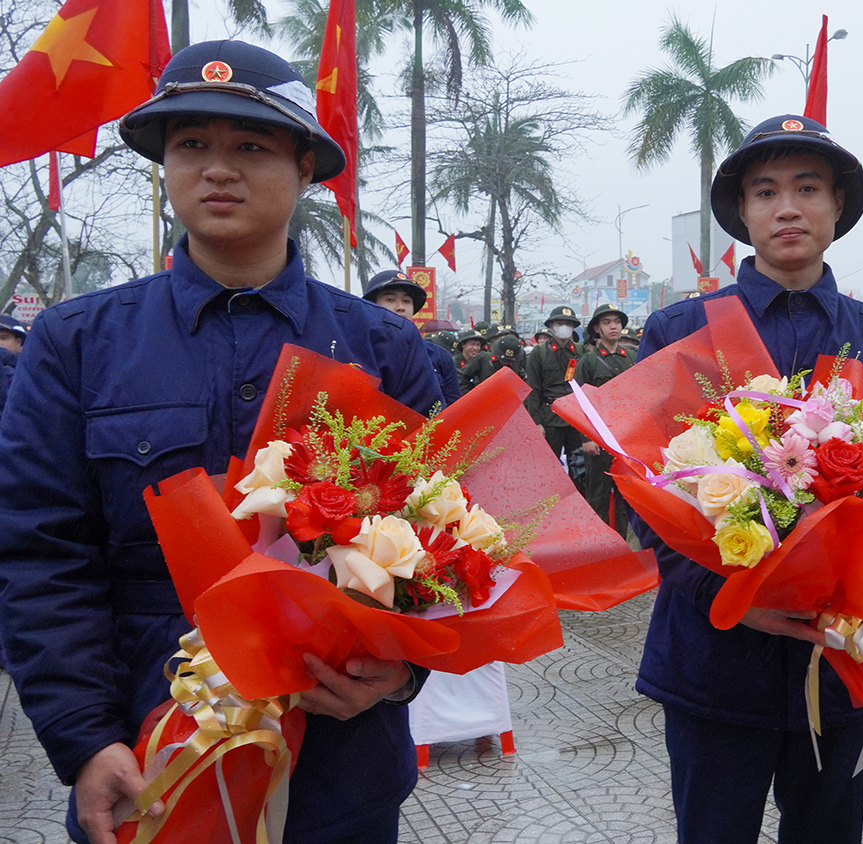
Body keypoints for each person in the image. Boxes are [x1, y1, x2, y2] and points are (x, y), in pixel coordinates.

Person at [0, 40, 443, 844]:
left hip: (339, 757)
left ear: (308, 168)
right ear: (164, 167)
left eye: (251, 146)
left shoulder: (384, 349)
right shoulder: (76, 342)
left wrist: (400, 671)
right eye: (190, 145)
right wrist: (84, 737)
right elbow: (40, 554)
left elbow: (436, 550)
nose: (217, 169)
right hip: (150, 749)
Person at [632, 113, 863, 844]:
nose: (787, 207)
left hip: (839, 663)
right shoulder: (679, 332)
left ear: (838, 208)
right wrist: (735, 597)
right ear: (742, 211)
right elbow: (645, 492)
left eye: (807, 188)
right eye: (765, 191)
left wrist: (862, 604)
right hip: (713, 655)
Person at [574, 302, 636, 537]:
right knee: (598, 495)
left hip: (625, 435)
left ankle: (623, 542)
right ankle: (598, 543)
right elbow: (579, 402)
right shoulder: (587, 361)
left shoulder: (630, 357)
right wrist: (586, 438)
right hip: (598, 437)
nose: (613, 327)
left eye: (617, 322)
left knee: (626, 495)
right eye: (607, 322)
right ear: (597, 329)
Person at [363, 269, 460, 406]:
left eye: (407, 301)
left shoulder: (439, 357)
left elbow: (454, 410)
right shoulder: (356, 350)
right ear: (371, 304)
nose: (401, 307)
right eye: (390, 299)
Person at [525, 306, 583, 487]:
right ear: (551, 326)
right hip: (550, 417)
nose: (564, 327)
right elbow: (532, 389)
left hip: (577, 418)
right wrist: (536, 422)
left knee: (580, 467)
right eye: (560, 323)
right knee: (548, 468)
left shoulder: (582, 352)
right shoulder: (539, 353)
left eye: (568, 323)